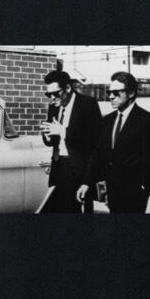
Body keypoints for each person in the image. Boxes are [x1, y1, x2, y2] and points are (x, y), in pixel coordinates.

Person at [78, 71, 150, 213]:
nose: (111, 96)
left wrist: (143, 185)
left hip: (135, 192)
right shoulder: (107, 120)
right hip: (111, 190)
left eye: (116, 93)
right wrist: (86, 183)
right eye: (109, 92)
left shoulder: (147, 120)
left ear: (131, 93)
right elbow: (97, 154)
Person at [39, 69, 102, 213]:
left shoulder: (87, 104)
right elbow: (52, 139)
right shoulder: (53, 107)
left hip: (79, 169)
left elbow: (94, 142)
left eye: (55, 93)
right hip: (59, 167)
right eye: (48, 94)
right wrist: (48, 136)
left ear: (67, 88)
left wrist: (62, 131)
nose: (52, 98)